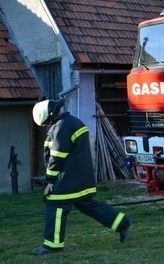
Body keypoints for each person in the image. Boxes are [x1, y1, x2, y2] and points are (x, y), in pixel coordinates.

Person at [31, 100, 131, 255]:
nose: (46, 126)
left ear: (49, 117)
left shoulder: (61, 127)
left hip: (68, 178)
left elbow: (57, 156)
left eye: (46, 123)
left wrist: (50, 180)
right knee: (87, 205)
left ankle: (52, 245)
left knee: (55, 205)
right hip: (82, 177)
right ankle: (121, 222)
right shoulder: (73, 122)